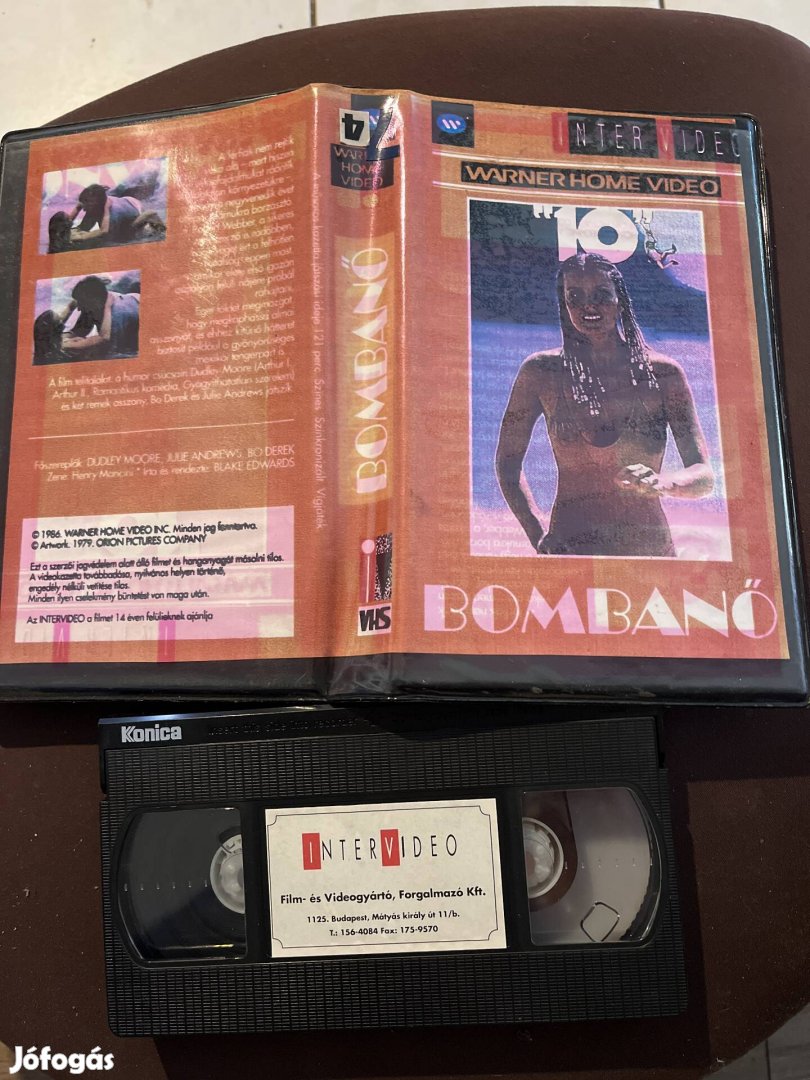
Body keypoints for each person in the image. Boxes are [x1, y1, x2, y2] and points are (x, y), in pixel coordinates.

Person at [495, 252, 714, 557]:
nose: (589, 306)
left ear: (619, 300)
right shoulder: (540, 372)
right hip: (570, 549)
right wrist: (537, 534)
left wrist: (663, 483)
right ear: (564, 304)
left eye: (601, 295)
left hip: (648, 552)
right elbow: (507, 463)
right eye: (575, 297)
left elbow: (704, 475)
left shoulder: (664, 374)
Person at [61, 276, 140, 359]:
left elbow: (108, 345)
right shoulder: (95, 301)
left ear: (95, 302)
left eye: (81, 303)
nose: (79, 308)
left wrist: (78, 345)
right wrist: (64, 341)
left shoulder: (115, 315)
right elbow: (79, 331)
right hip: (131, 301)